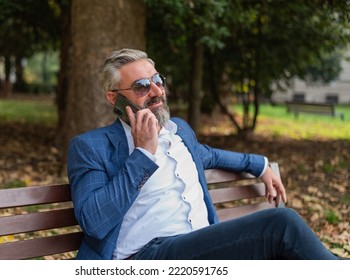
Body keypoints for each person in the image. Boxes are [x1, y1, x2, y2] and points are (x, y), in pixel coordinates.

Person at [67, 48, 339, 260]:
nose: (156, 90)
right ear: (114, 99)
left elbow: (211, 155)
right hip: (145, 258)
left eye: (157, 80)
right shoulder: (92, 147)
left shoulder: (179, 131)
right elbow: (94, 222)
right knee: (282, 223)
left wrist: (261, 165)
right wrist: (142, 154)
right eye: (141, 86)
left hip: (202, 248)